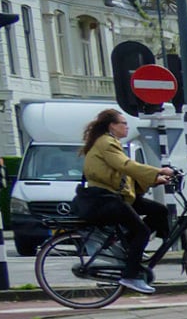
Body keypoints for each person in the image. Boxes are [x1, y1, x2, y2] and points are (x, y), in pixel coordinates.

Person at [74, 109, 175, 295]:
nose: (127, 126)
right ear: (112, 125)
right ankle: (131, 275)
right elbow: (125, 166)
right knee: (142, 231)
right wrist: (158, 171)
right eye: (123, 123)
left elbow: (124, 175)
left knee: (159, 210)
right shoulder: (106, 142)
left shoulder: (111, 142)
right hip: (104, 199)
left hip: (114, 196)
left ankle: (129, 248)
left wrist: (155, 180)